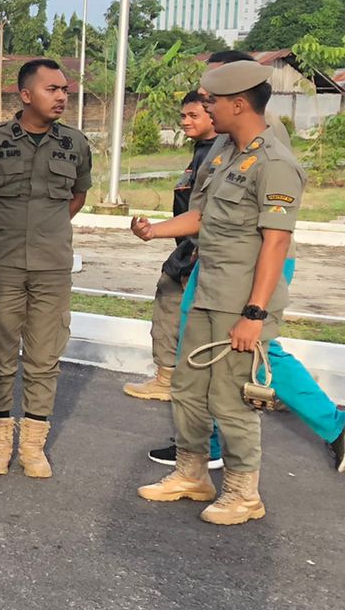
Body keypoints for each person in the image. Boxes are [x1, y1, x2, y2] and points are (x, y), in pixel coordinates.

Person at [136, 50, 345, 473]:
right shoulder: (221, 142)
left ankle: (330, 426)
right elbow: (207, 208)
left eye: (212, 93)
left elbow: (273, 229)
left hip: (254, 261)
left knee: (254, 350)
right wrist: (159, 230)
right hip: (210, 258)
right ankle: (201, 445)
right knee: (199, 356)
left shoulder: (266, 141)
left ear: (239, 97)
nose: (203, 101)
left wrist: (255, 307)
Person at [0, 59, 91, 478]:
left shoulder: (75, 143)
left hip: (53, 267)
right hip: (2, 265)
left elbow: (77, 196)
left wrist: (47, 232)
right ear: (25, 95)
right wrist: (1, 230)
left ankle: (33, 446)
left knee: (44, 355)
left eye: (65, 90)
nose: (61, 96)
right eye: (53, 89)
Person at [122, 91, 220, 403]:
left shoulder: (221, 154)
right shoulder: (203, 151)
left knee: (196, 321)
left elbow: (203, 215)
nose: (185, 121)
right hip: (187, 249)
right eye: (183, 116)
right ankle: (167, 379)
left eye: (194, 115)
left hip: (205, 251)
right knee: (169, 303)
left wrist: (154, 232)